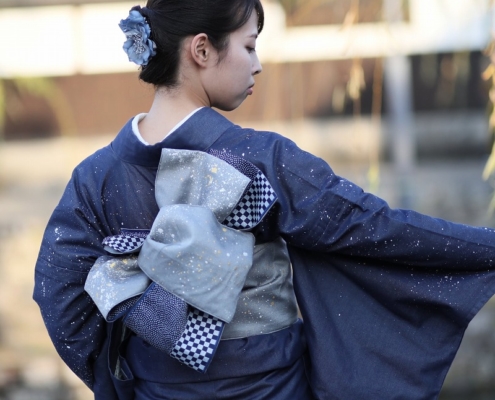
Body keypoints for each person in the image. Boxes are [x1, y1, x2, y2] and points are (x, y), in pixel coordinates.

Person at [33, 1, 495, 399]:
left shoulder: (95, 176)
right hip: (268, 384)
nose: (257, 64)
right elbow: (370, 228)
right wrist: (483, 248)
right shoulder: (262, 159)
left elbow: (58, 292)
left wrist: (119, 379)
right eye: (249, 46)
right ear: (201, 50)